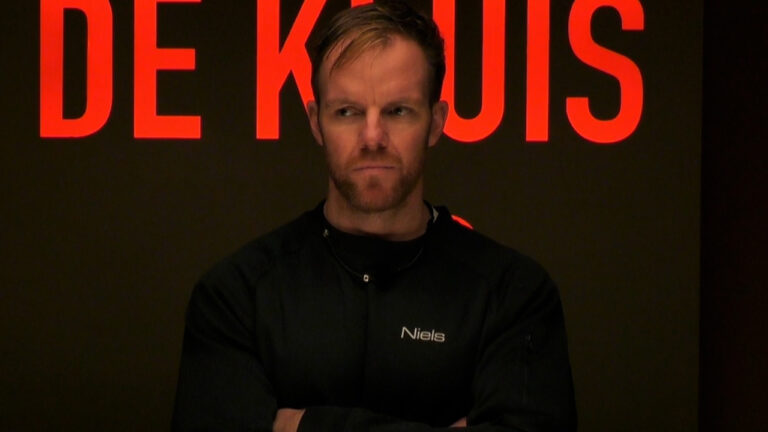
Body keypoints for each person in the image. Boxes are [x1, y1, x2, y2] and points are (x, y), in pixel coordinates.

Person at [172, 1, 576, 431]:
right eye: (347, 112)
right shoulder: (237, 297)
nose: (372, 137)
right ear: (316, 123)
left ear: (436, 122)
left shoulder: (512, 295)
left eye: (397, 111)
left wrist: (301, 426)